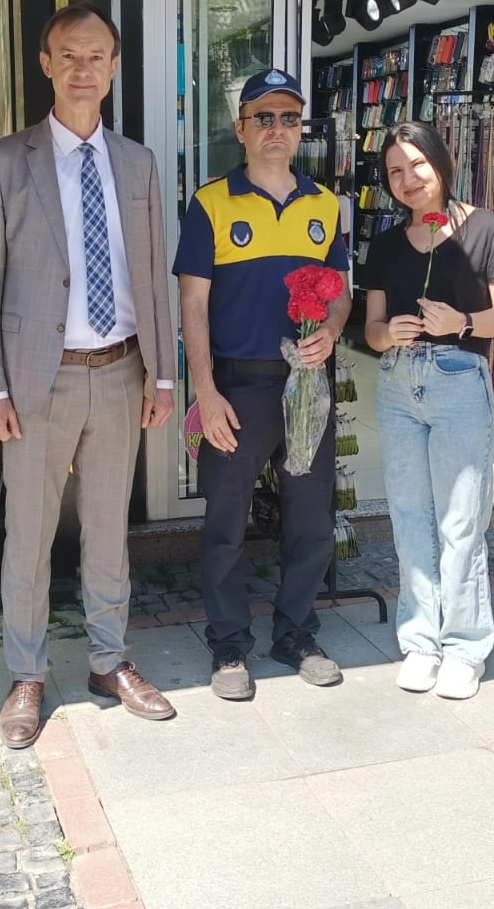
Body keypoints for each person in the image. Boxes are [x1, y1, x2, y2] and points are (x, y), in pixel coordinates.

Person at [0, 3, 178, 748]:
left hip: (120, 372)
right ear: (46, 64)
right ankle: (26, 674)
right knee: (27, 534)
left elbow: (152, 275)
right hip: (36, 381)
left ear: (114, 68)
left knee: (108, 529)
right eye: (69, 55)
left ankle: (109, 660)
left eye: (96, 56)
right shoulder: (3, 161)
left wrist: (163, 375)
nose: (83, 69)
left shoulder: (138, 163)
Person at [175, 68, 351, 701]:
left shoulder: (324, 204)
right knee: (226, 522)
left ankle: (296, 633)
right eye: (265, 117)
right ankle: (228, 644)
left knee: (310, 516)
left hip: (305, 387)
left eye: (289, 118)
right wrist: (206, 392)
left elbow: (340, 291)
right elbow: (193, 305)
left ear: (301, 130)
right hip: (237, 387)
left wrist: (331, 329)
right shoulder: (211, 204)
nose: (278, 128)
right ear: (242, 129)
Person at [360, 122, 494, 701]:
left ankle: (464, 647)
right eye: (395, 172)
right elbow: (371, 330)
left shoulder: (486, 229)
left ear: (441, 162)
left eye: (417, 165)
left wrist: (464, 323)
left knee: (461, 520)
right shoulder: (385, 243)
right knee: (409, 517)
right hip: (398, 384)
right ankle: (421, 641)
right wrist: (389, 333)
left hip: (458, 382)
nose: (408, 180)